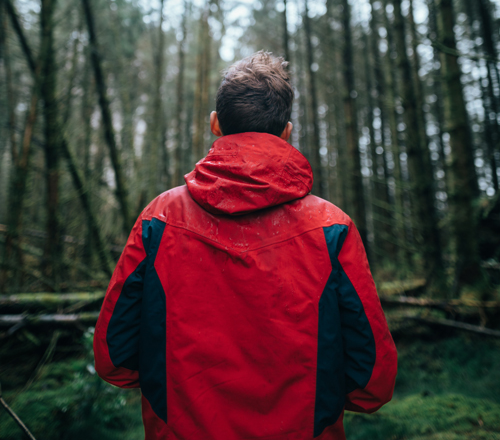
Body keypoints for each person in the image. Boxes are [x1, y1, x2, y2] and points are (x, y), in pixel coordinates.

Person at [93, 51, 397, 440]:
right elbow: (374, 382)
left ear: (215, 124)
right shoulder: (331, 227)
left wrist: (182, 394)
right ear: (286, 131)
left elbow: (112, 359)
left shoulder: (160, 218)